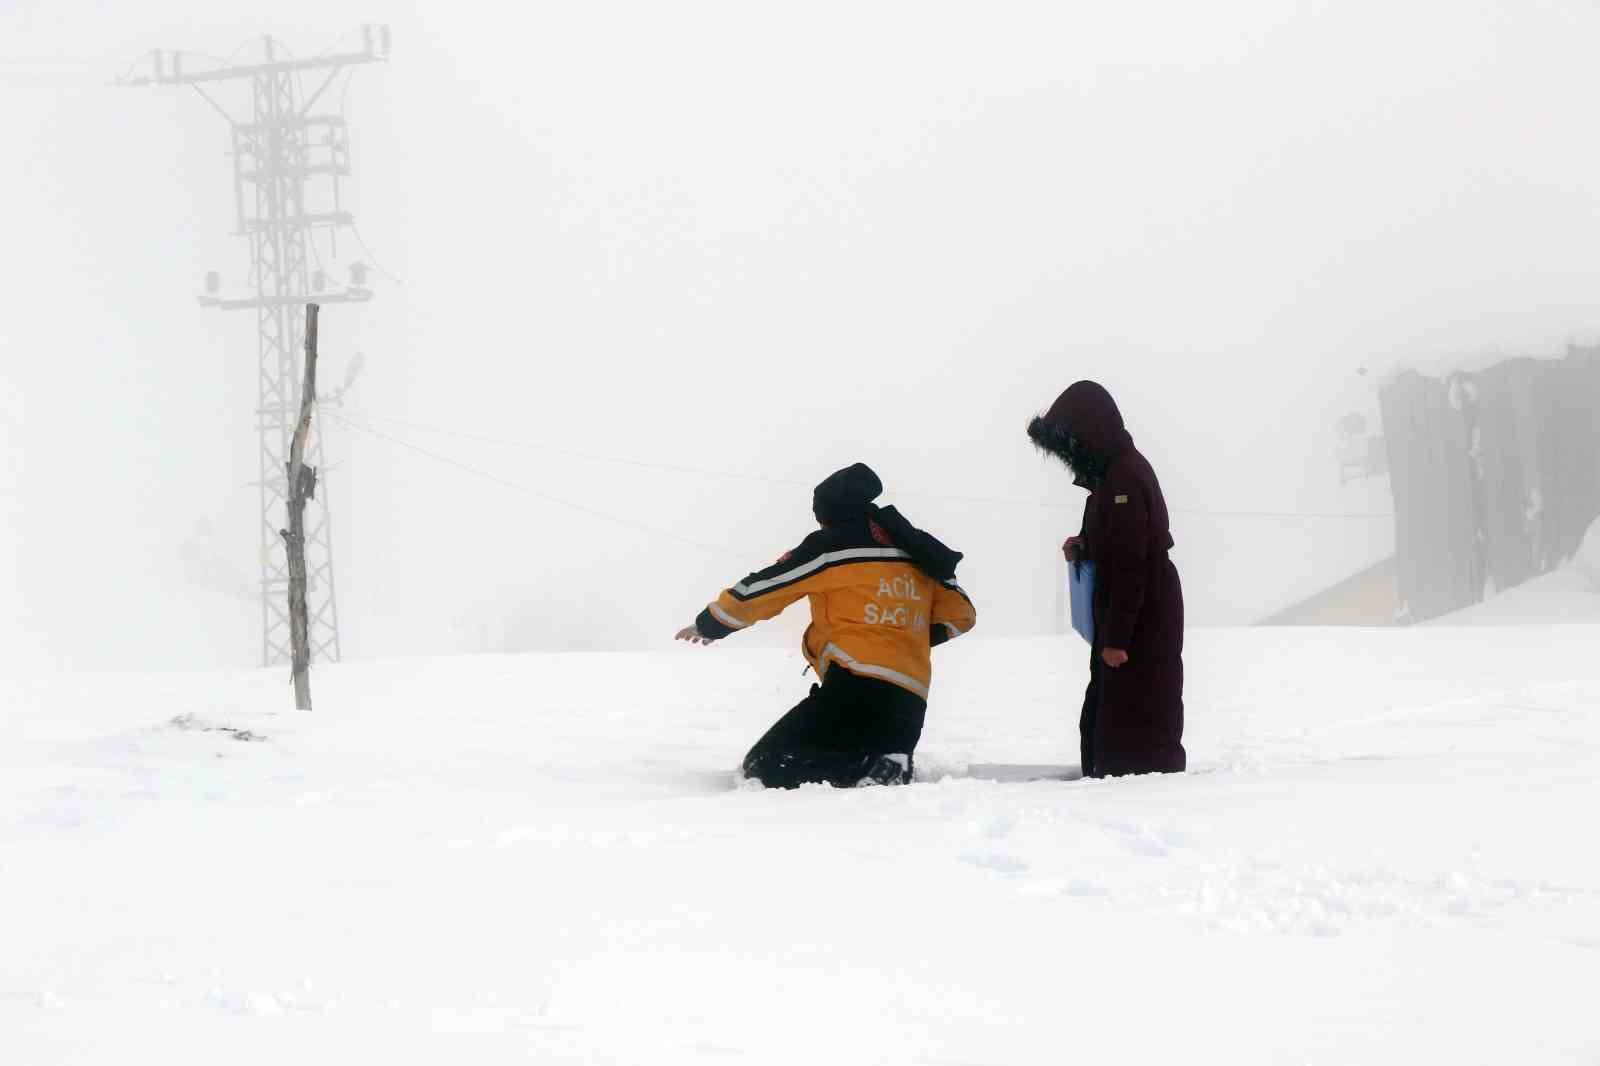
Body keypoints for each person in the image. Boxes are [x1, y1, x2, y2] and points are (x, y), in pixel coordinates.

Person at [676, 463, 977, 788]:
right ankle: (886, 765)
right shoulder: (919, 552)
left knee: (764, 766)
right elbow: (961, 615)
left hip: (855, 689)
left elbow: (768, 587)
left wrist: (711, 623)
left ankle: (872, 769)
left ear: (829, 513)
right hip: (910, 704)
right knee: (862, 755)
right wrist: (905, 635)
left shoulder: (833, 547)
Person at [1027, 381, 1185, 777]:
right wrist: (1083, 546)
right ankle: (1109, 781)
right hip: (1129, 617)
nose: (1069, 456)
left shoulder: (1124, 481)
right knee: (1110, 715)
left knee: (1135, 717)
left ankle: (1139, 800)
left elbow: (1133, 565)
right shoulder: (1110, 478)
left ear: (1088, 434)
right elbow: (1117, 544)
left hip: (1140, 620)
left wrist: (1117, 640)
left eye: (1070, 445)